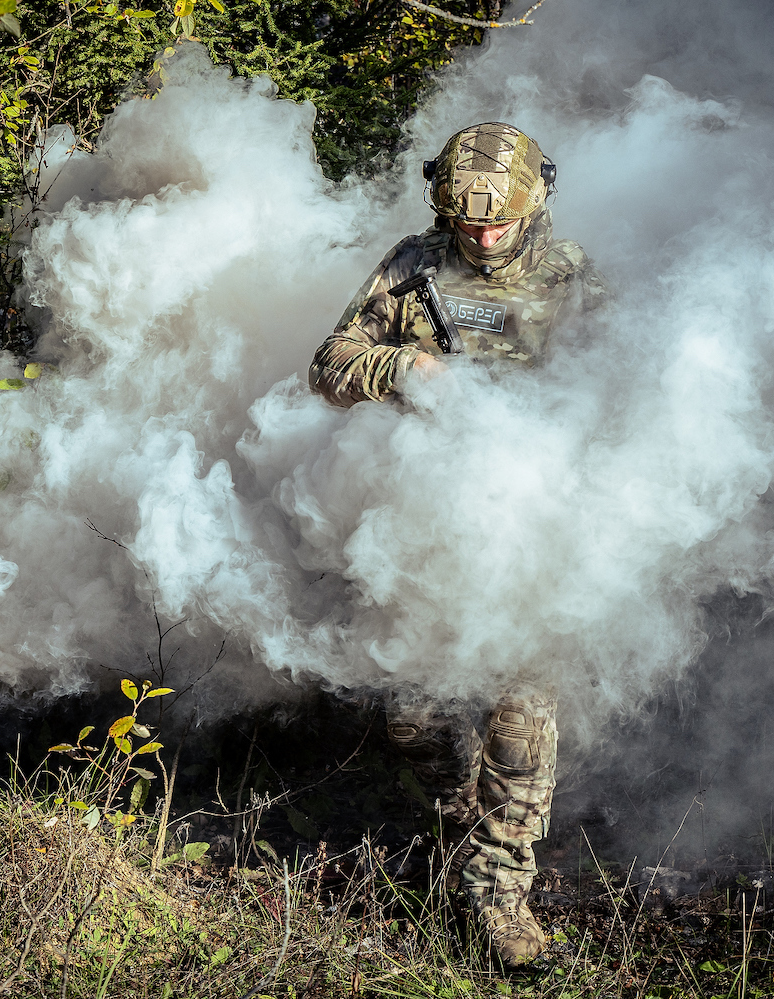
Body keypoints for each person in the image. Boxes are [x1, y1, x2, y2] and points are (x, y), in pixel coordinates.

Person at [308, 122, 606, 967]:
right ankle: (456, 832)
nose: (483, 236)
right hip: (424, 523)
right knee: (412, 719)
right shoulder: (414, 267)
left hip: (535, 521)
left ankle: (501, 897)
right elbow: (329, 364)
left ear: (534, 201)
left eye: (498, 222)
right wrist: (404, 369)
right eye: (468, 222)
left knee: (520, 715)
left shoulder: (572, 281)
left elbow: (621, 393)